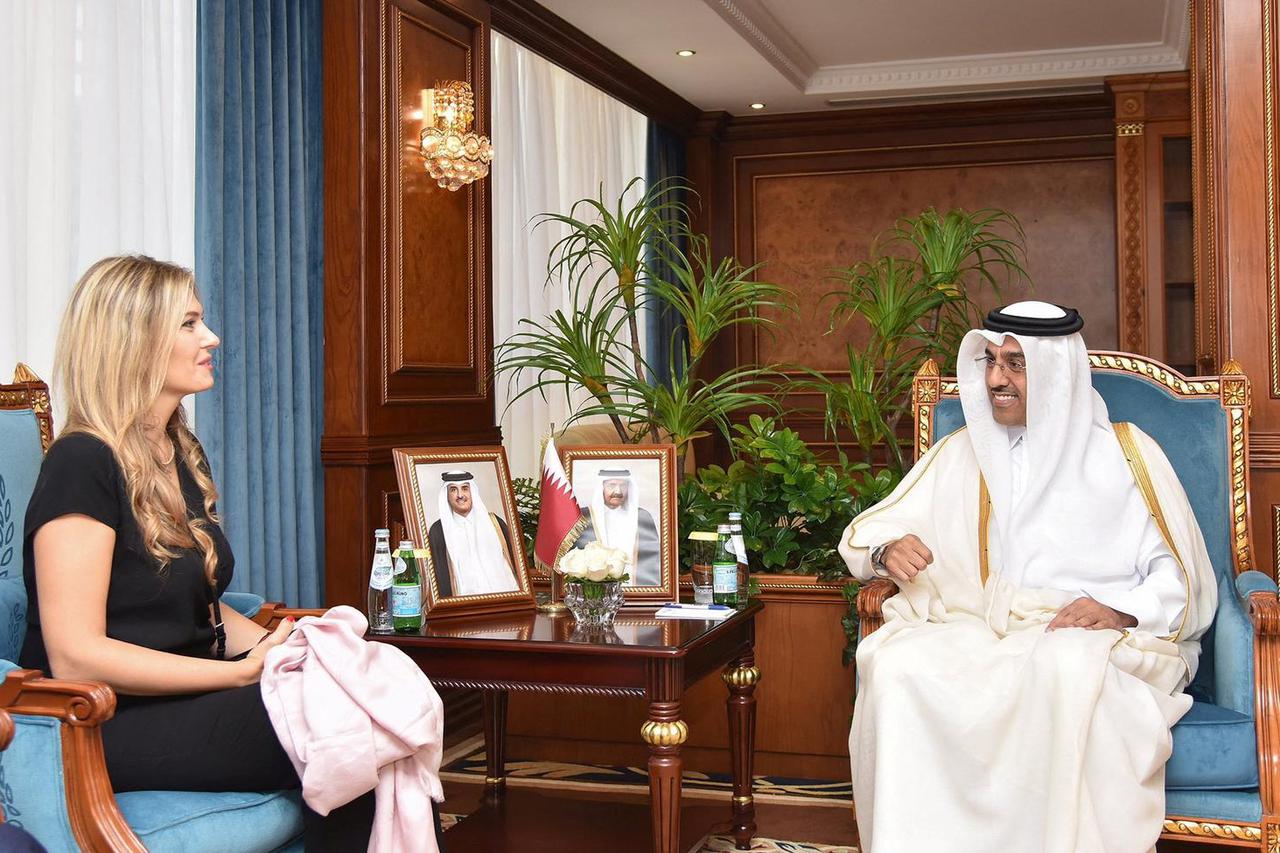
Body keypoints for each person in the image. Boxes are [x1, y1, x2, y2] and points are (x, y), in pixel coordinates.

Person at [17, 255, 445, 851]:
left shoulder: (176, 451)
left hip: (192, 695)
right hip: (104, 721)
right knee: (346, 722)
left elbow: (198, 610)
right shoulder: (81, 462)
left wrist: (290, 645)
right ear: (135, 341)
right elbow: (74, 656)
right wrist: (240, 672)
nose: (212, 337)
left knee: (359, 690)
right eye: (189, 323)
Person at [840, 301, 1216, 853]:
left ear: (1057, 372)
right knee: (896, 664)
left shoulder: (1127, 455)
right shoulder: (964, 452)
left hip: (1096, 634)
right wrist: (887, 551)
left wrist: (1119, 611)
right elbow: (870, 532)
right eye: (991, 362)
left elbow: (1178, 577)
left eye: (1016, 365)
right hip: (984, 625)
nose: (996, 379)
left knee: (1063, 668)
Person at [427, 471, 519, 596]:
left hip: (505, 600)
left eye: (465, 488)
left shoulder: (495, 523)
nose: (460, 495)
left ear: (473, 492)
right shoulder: (438, 531)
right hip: (462, 605)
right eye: (453, 490)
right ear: (446, 496)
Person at [573, 468, 660, 585]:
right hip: (595, 590)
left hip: (637, 588)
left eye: (623, 486)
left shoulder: (642, 517)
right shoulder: (584, 517)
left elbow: (652, 560)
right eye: (612, 485)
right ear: (601, 487)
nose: (618, 491)